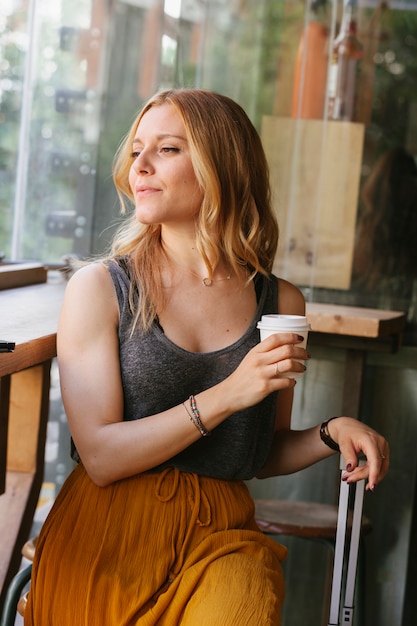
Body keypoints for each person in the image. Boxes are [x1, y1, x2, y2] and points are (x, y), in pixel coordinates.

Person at [26, 88, 389, 625]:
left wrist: (330, 432)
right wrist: (227, 395)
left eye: (167, 149)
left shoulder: (280, 302)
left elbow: (258, 454)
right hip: (106, 535)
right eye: (136, 151)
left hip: (221, 537)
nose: (140, 167)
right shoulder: (101, 288)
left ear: (222, 165)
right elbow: (100, 457)